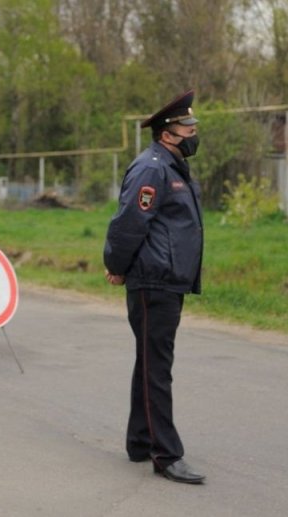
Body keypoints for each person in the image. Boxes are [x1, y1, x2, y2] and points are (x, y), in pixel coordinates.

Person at [103, 89, 206, 484]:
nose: (194, 132)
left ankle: (140, 441)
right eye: (188, 126)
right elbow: (129, 222)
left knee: (150, 361)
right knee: (157, 367)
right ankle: (166, 453)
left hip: (167, 279)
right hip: (153, 281)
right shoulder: (152, 169)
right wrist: (117, 264)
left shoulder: (171, 166)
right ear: (168, 133)